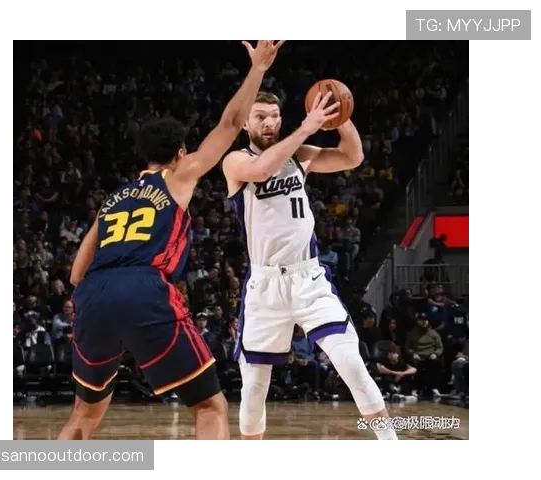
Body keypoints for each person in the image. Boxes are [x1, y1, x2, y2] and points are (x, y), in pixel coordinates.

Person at [56, 40, 285, 441]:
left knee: (83, 414)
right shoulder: (177, 175)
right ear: (180, 152)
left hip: (93, 295)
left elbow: (76, 273)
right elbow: (231, 124)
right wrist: (258, 69)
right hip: (144, 287)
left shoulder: (112, 200)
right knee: (209, 406)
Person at [222, 90, 397, 440]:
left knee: (352, 365)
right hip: (265, 286)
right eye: (260, 116)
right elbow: (262, 169)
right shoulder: (235, 161)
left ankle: (391, 446)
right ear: (245, 124)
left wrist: (340, 115)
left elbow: (352, 156)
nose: (269, 122)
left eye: (274, 115)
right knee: (254, 386)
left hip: (308, 278)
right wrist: (306, 127)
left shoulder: (300, 155)